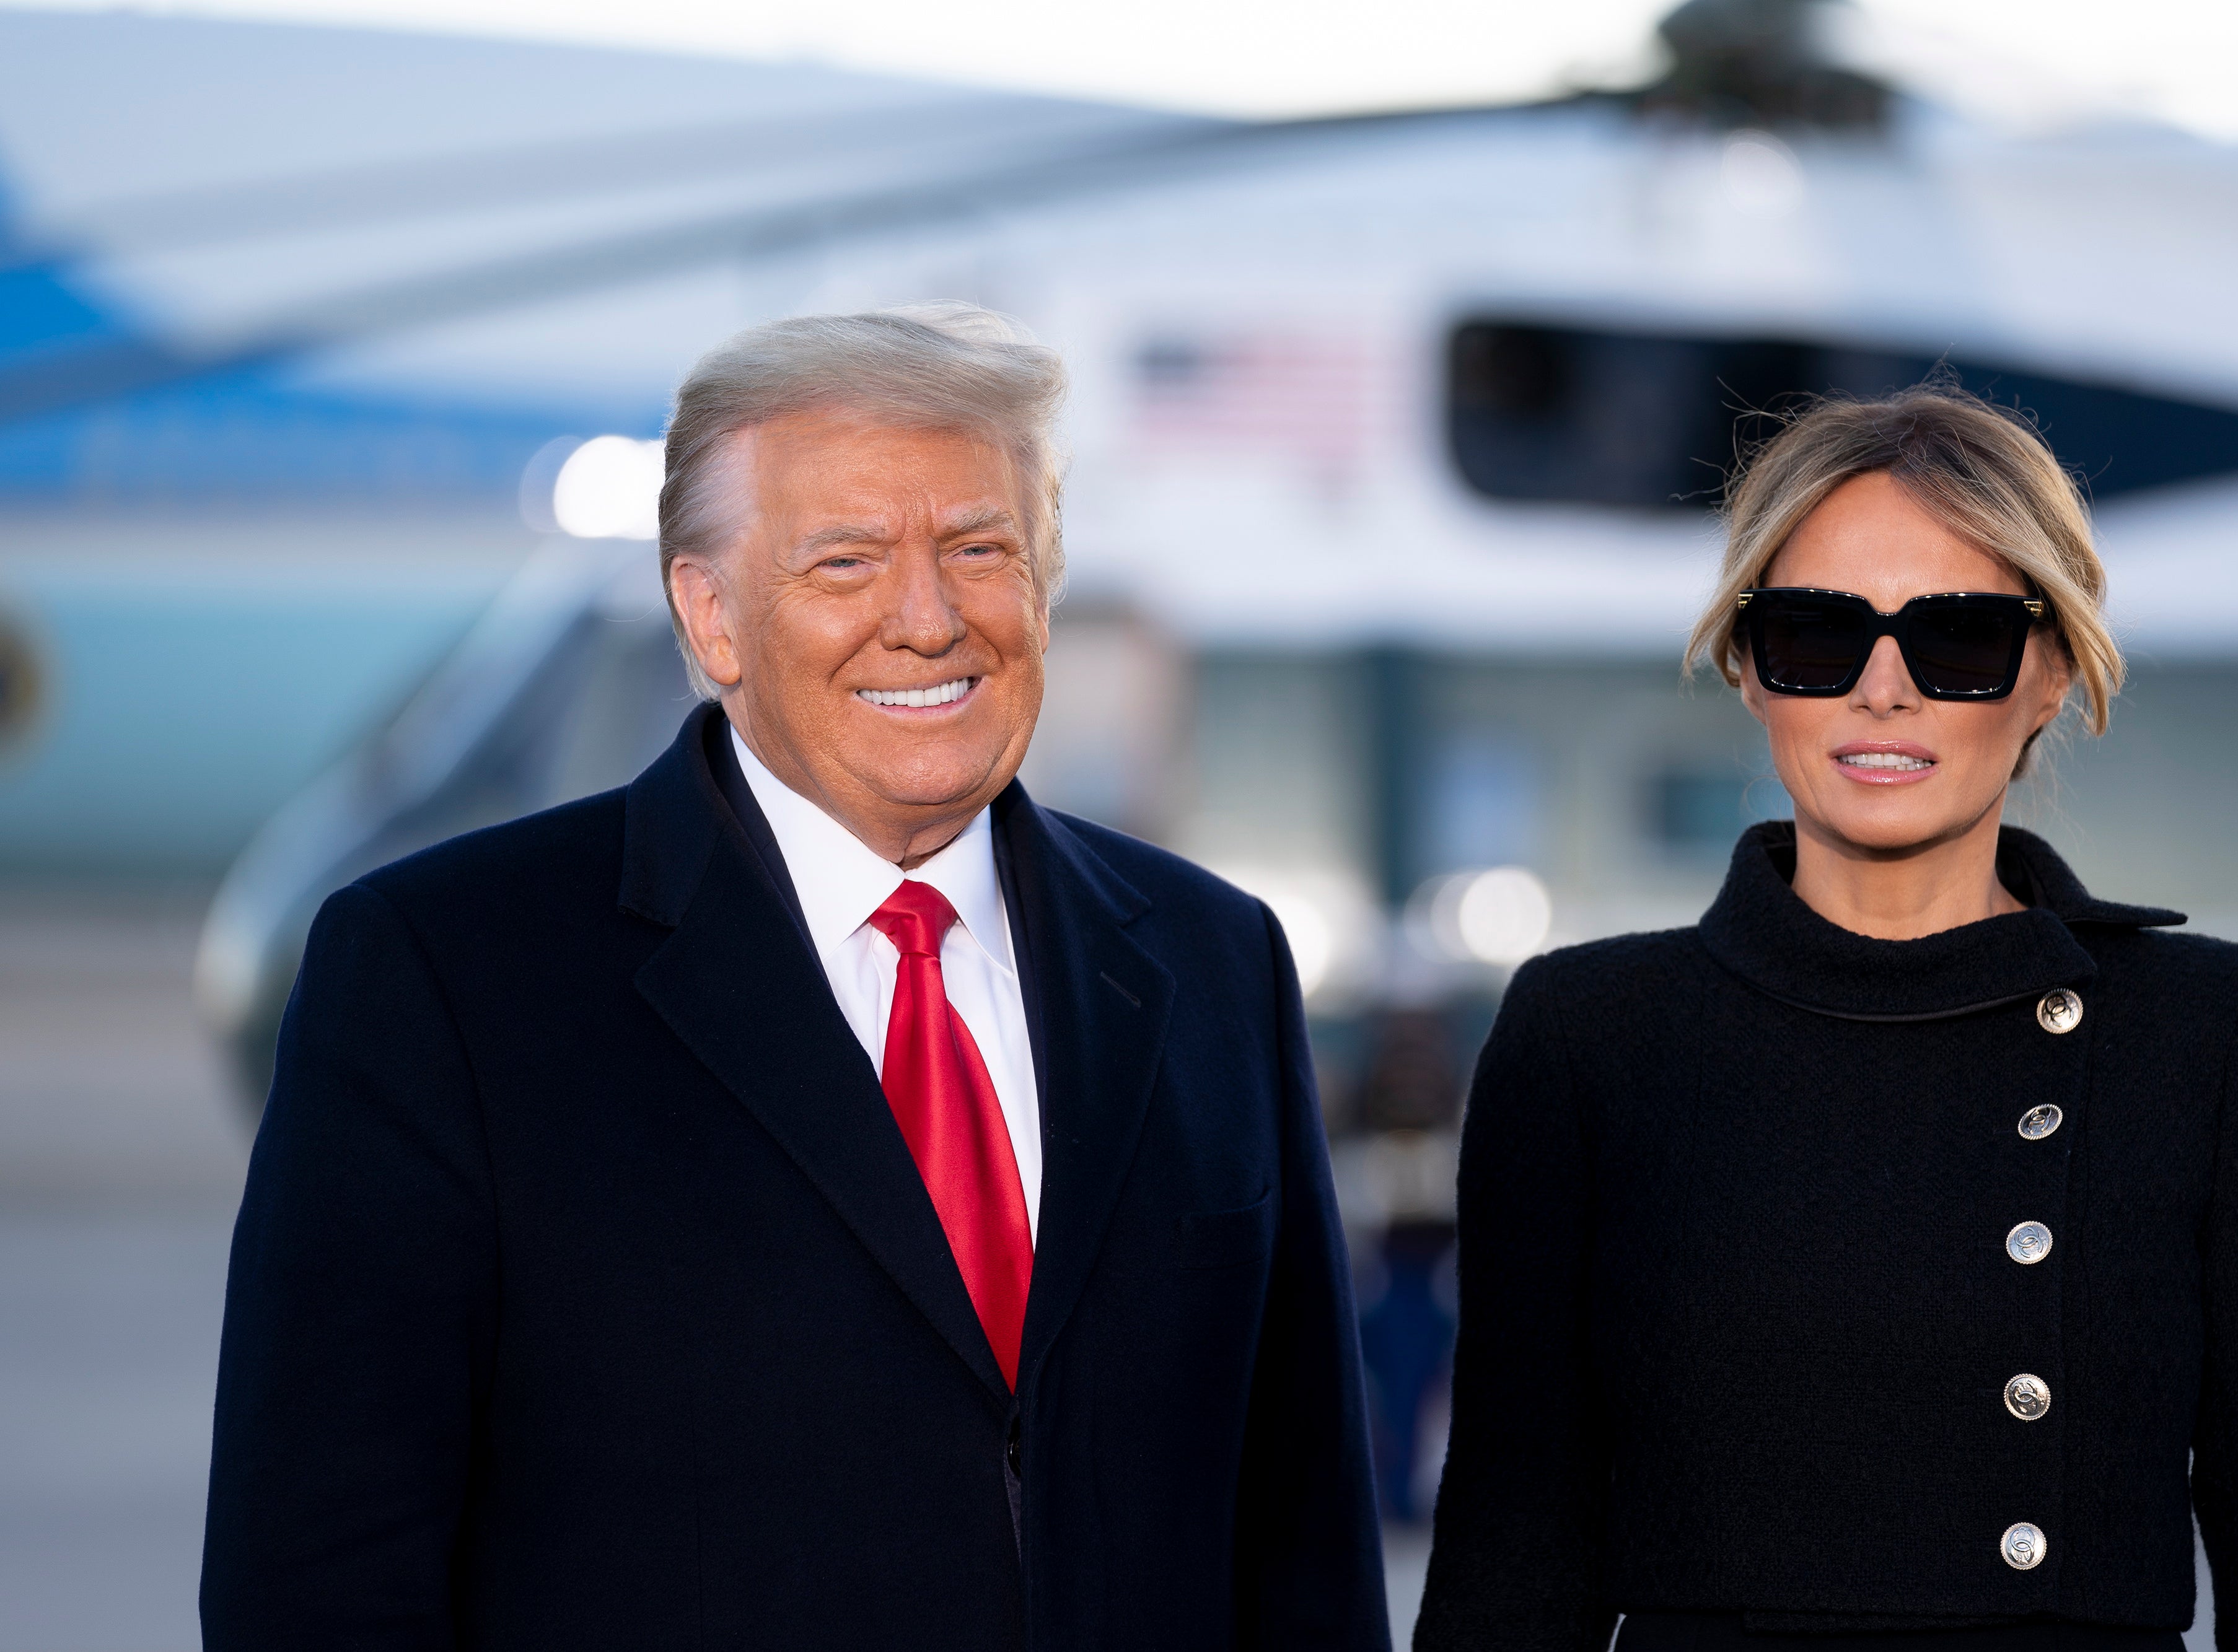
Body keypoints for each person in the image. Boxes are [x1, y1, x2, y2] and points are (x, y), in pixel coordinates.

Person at [201, 305, 1390, 1651]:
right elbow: (315, 1583)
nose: (927, 617)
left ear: (1045, 584)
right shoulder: (441, 976)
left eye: (980, 549)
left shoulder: (1215, 960)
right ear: (710, 616)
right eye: (846, 560)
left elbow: (1305, 1554)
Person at [1414, 386, 2238, 1651]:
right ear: (1743, 664)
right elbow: (1509, 1562)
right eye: (1812, 634)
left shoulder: (2211, 1032)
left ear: (2049, 669)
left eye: (1952, 641)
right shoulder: (1589, 1034)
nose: (1881, 688)